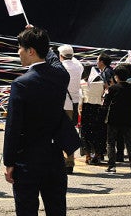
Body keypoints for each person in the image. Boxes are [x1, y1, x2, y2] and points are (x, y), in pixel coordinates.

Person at [3, 26, 70, 216]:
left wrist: (9, 161)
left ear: (30, 51)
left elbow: (13, 126)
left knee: (26, 210)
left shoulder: (21, 84)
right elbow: (55, 62)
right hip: (54, 156)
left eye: (20, 47)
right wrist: (43, 44)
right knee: (57, 209)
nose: (18, 52)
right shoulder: (61, 76)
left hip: (27, 159)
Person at [103, 64, 131, 173]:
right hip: (127, 118)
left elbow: (107, 102)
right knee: (129, 142)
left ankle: (112, 166)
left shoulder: (113, 88)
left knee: (111, 142)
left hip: (114, 118)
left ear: (116, 76)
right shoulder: (130, 87)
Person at [58, 45, 83, 173]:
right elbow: (76, 61)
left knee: (58, 134)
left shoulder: (59, 67)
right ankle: (69, 163)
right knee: (69, 133)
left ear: (61, 55)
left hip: (62, 105)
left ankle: (60, 162)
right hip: (74, 105)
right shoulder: (78, 67)